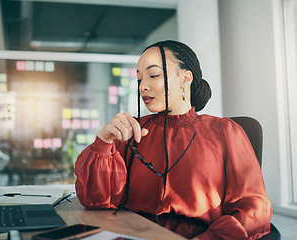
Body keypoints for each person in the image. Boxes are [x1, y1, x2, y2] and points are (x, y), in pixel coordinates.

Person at [74, 40, 272, 240]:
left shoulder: (225, 131)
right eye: (139, 79)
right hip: (132, 233)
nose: (143, 86)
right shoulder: (132, 131)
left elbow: (254, 208)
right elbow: (96, 201)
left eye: (154, 75)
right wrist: (103, 142)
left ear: (185, 78)